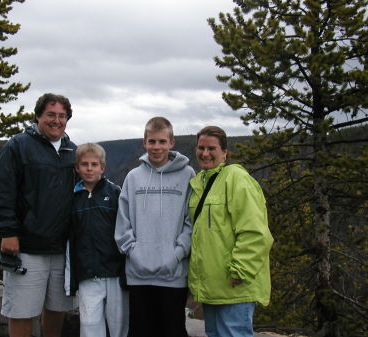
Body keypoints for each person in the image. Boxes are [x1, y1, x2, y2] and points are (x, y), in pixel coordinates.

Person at [0, 93, 78, 337]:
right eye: (50, 114)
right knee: (21, 310)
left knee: (57, 307)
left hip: (62, 247)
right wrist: (8, 232)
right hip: (26, 246)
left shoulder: (73, 151)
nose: (56, 120)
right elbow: (2, 191)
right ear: (38, 116)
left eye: (62, 116)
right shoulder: (18, 146)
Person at [188, 126, 274, 337]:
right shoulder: (200, 182)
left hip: (234, 285)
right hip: (211, 287)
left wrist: (240, 270)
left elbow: (255, 232)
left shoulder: (237, 179)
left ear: (225, 152)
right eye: (201, 148)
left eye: (211, 148)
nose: (205, 153)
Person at [114, 117, 195, 337]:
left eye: (161, 141)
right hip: (138, 272)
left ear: (172, 142)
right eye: (152, 142)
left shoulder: (188, 175)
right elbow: (123, 222)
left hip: (173, 272)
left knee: (173, 330)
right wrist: (134, 253)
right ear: (144, 143)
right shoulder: (133, 177)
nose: (156, 147)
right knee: (140, 331)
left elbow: (191, 221)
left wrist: (177, 254)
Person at [65, 143, 129, 337]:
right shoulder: (72, 198)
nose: (89, 168)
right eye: (84, 164)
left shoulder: (115, 193)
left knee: (119, 325)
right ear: (77, 167)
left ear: (103, 167)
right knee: (90, 324)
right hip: (87, 273)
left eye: (94, 164)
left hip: (115, 273)